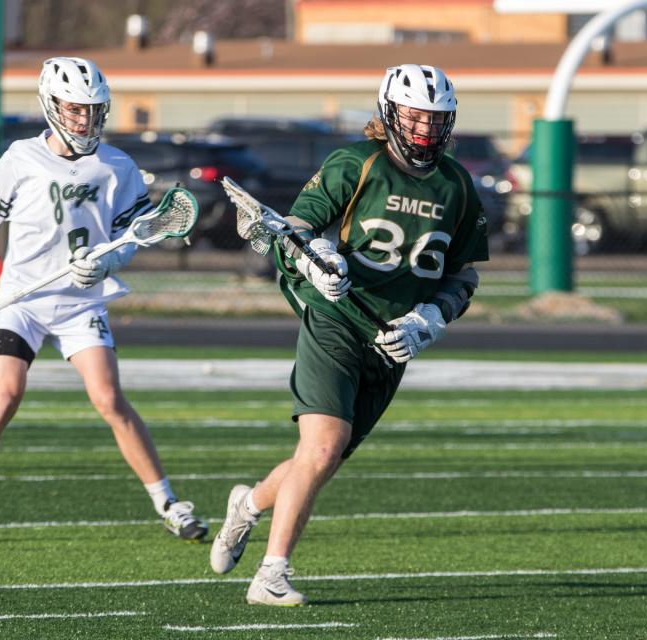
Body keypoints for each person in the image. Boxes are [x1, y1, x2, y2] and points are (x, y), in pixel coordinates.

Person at [209, 64, 489, 605]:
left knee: (318, 460)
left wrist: (429, 320)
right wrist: (322, 260)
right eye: (415, 116)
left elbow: (464, 273)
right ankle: (272, 573)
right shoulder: (356, 164)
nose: (426, 130)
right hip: (335, 319)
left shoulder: (456, 184)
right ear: (389, 113)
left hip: (393, 339)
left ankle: (246, 506)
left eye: (436, 119)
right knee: (323, 446)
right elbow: (298, 229)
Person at [0, 56, 208, 544]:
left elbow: (130, 238)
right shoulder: (21, 157)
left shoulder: (116, 166)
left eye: (92, 110)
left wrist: (105, 264)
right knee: (6, 395)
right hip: (22, 300)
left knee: (109, 399)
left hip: (80, 301)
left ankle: (168, 502)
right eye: (75, 109)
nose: (84, 119)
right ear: (52, 105)